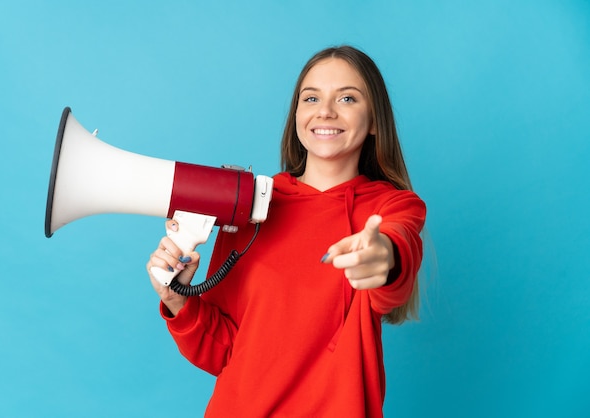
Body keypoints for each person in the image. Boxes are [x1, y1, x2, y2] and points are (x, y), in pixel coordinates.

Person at [146, 45, 426, 418]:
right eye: (311, 98)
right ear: (297, 114)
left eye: (347, 97)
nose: (325, 110)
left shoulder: (392, 207)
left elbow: (399, 246)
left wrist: (383, 258)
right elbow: (224, 352)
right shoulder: (250, 205)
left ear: (375, 120)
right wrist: (178, 298)